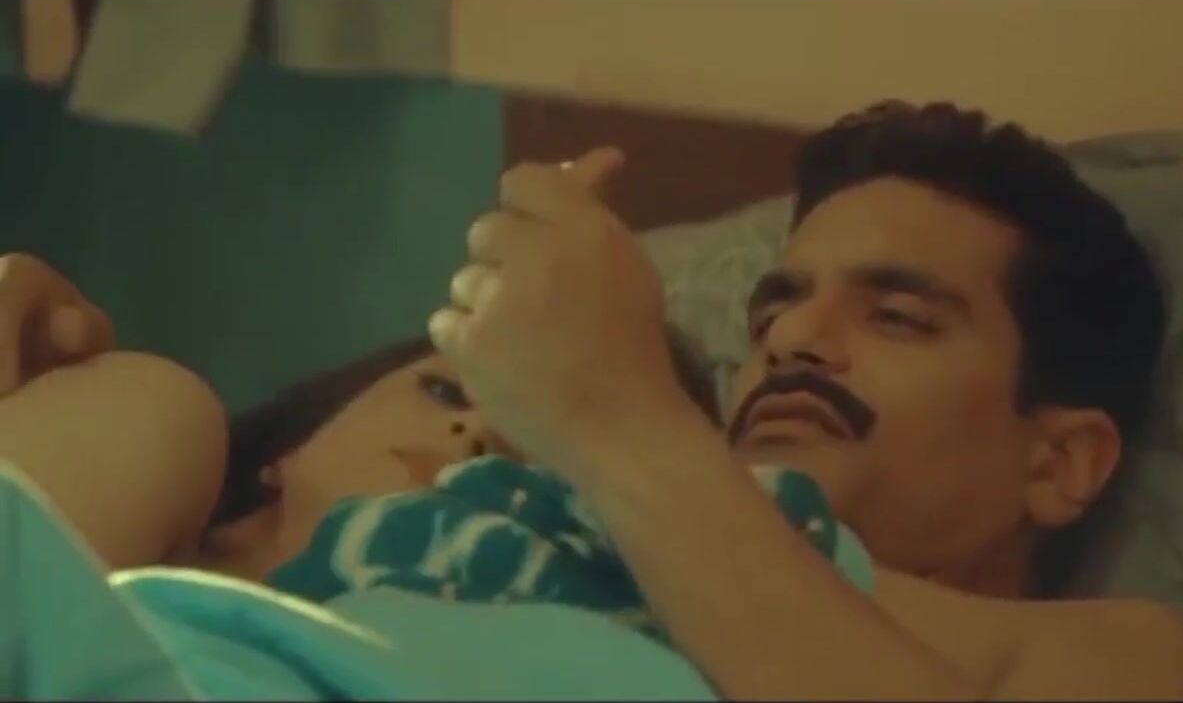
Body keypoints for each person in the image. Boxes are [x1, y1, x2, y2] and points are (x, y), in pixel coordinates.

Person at [428, 100, 1183, 699]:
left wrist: (619, 418)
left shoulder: (1134, 663)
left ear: (1060, 462)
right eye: (769, 315)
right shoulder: (543, 535)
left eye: (897, 318)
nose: (792, 338)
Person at [0, 252, 721, 582]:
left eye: (538, 457)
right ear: (294, 445)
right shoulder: (159, 420)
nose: (472, 436)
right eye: (445, 394)